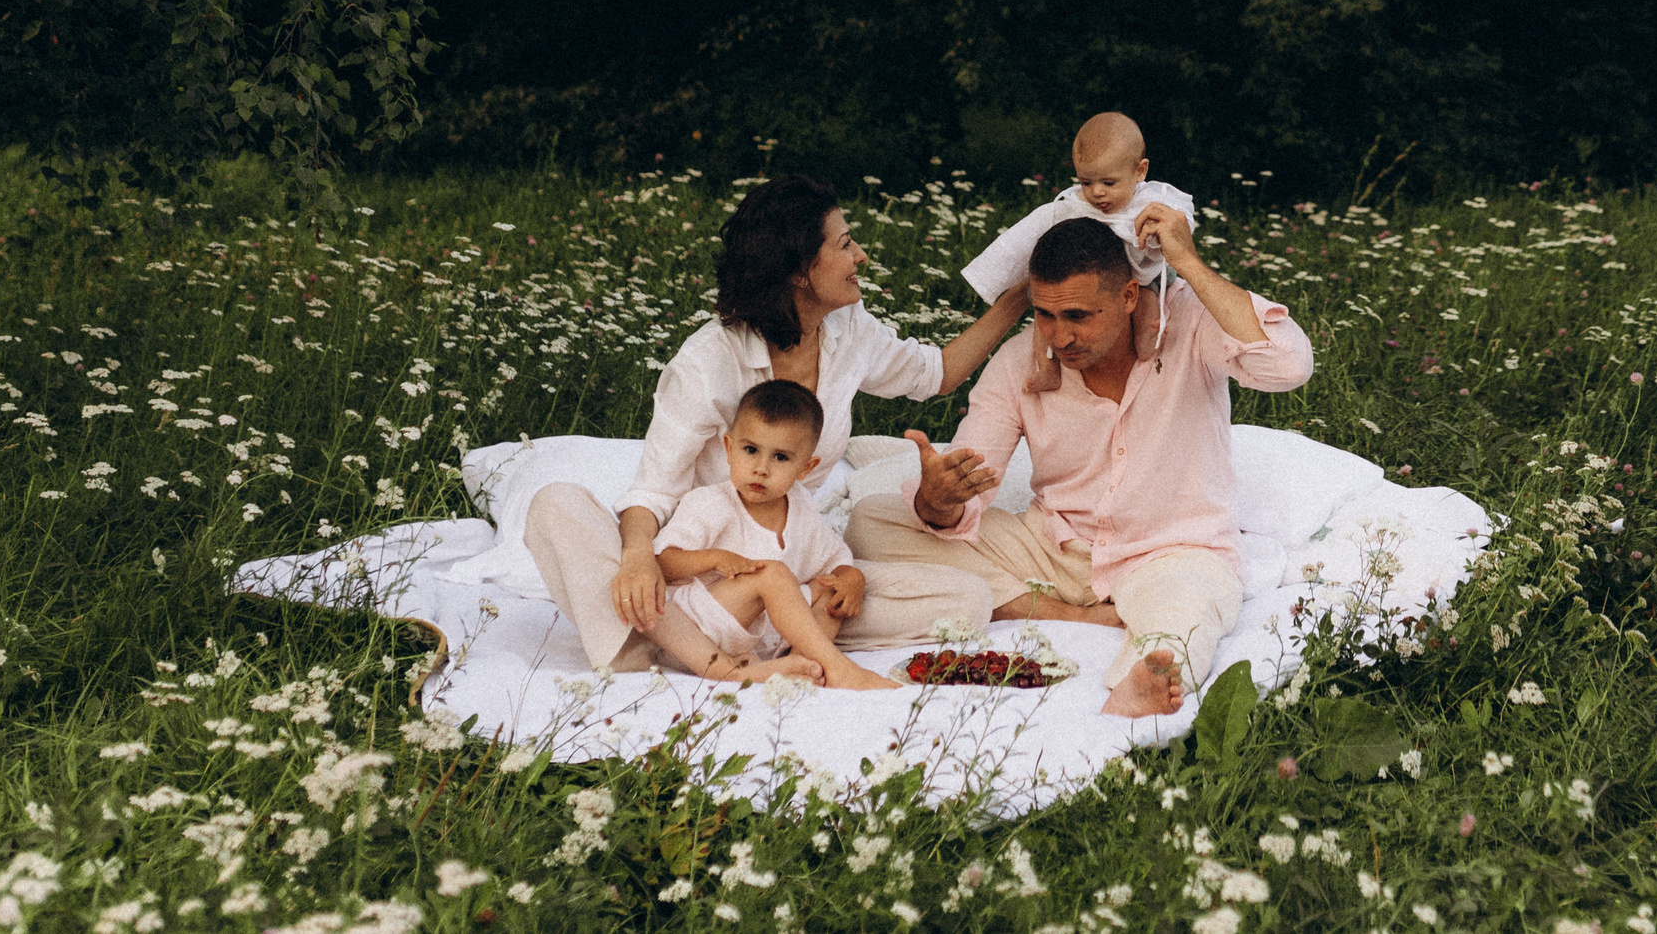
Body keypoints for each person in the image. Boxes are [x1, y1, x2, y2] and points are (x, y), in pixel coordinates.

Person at [525, 175, 1028, 676]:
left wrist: (1019, 299)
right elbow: (654, 492)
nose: (861, 258)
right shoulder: (707, 360)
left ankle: (783, 642)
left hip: (791, 579)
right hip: (694, 582)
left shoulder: (847, 329)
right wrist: (638, 557)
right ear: (799, 271)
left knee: (967, 597)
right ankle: (663, 647)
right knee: (555, 506)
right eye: (846, 243)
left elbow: (936, 374)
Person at [847, 209, 1313, 718]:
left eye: (1078, 316)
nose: (1058, 336)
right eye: (1044, 314)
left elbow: (1288, 365)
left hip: (1169, 550)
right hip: (1052, 551)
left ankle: (1142, 680)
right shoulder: (1018, 362)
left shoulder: (1190, 326)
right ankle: (1064, 614)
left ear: (1129, 295)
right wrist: (937, 500)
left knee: (1189, 605)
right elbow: (971, 478)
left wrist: (1189, 262)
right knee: (873, 520)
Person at [651, 380, 894, 689]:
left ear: (805, 468)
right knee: (773, 574)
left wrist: (851, 577)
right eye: (750, 450)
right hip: (701, 627)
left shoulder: (801, 505)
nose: (761, 468)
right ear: (729, 449)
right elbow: (661, 563)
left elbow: (833, 559)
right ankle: (836, 666)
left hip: (763, 638)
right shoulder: (710, 503)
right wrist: (714, 558)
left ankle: (804, 662)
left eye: (780, 457)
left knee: (832, 591)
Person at [959, 113, 1194, 373]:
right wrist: (991, 275)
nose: (1097, 192)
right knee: (1044, 318)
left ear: (1139, 171)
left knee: (1147, 310)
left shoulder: (1152, 198)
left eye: (1108, 182)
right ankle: (1046, 370)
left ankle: (1152, 342)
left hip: (1141, 274)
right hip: (1079, 283)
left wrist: (1156, 233)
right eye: (1086, 182)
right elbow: (1020, 240)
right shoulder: (1070, 207)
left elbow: (1180, 222)